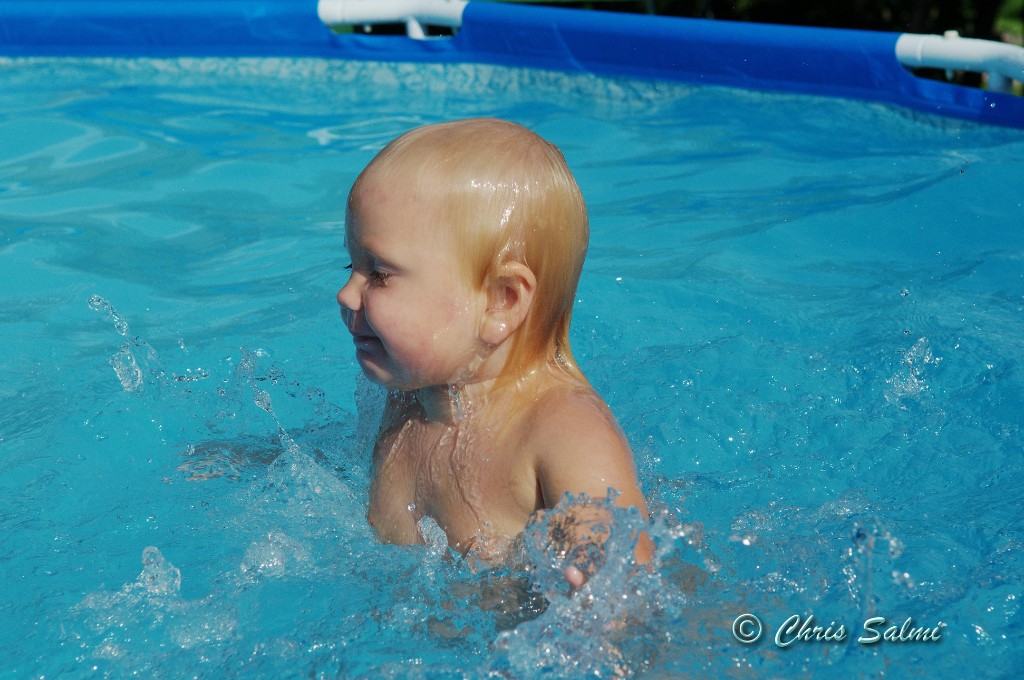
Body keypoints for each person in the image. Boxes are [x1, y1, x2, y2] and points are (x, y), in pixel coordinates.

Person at [336, 118, 651, 589]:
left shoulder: (561, 428)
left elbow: (625, 566)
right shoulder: (412, 394)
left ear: (501, 300)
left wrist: (595, 577)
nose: (346, 293)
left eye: (378, 273)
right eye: (351, 265)